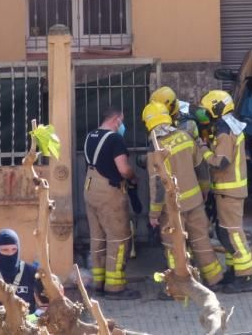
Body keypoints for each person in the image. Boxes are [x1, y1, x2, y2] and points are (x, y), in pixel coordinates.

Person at [143, 100, 224, 296]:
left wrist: (154, 214)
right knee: (202, 240)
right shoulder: (186, 137)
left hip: (172, 210)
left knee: (174, 247)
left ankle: (179, 288)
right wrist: (204, 191)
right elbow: (201, 168)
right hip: (195, 202)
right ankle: (215, 281)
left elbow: (157, 187)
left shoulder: (155, 151)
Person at [197, 90, 252, 293]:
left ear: (216, 108)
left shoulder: (224, 129)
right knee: (224, 233)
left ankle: (246, 276)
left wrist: (203, 148)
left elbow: (221, 161)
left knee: (233, 233)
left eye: (206, 111)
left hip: (230, 191)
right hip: (227, 190)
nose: (204, 115)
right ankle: (234, 270)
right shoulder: (228, 125)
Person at [82, 107, 140, 299]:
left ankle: (98, 283)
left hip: (90, 188)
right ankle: (115, 287)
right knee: (119, 238)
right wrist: (133, 177)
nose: (122, 125)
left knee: (97, 238)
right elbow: (123, 169)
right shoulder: (115, 139)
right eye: (121, 121)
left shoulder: (90, 136)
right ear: (115, 120)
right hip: (109, 192)